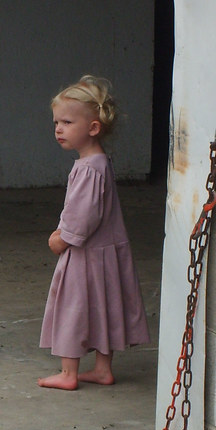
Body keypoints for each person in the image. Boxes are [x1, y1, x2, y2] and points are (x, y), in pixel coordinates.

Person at [38, 75, 150, 390]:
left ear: (93, 128)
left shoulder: (87, 169)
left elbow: (83, 216)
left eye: (67, 122)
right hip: (107, 253)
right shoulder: (100, 162)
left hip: (85, 254)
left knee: (73, 310)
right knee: (104, 307)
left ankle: (68, 373)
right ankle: (102, 369)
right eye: (56, 122)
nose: (58, 128)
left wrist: (62, 238)